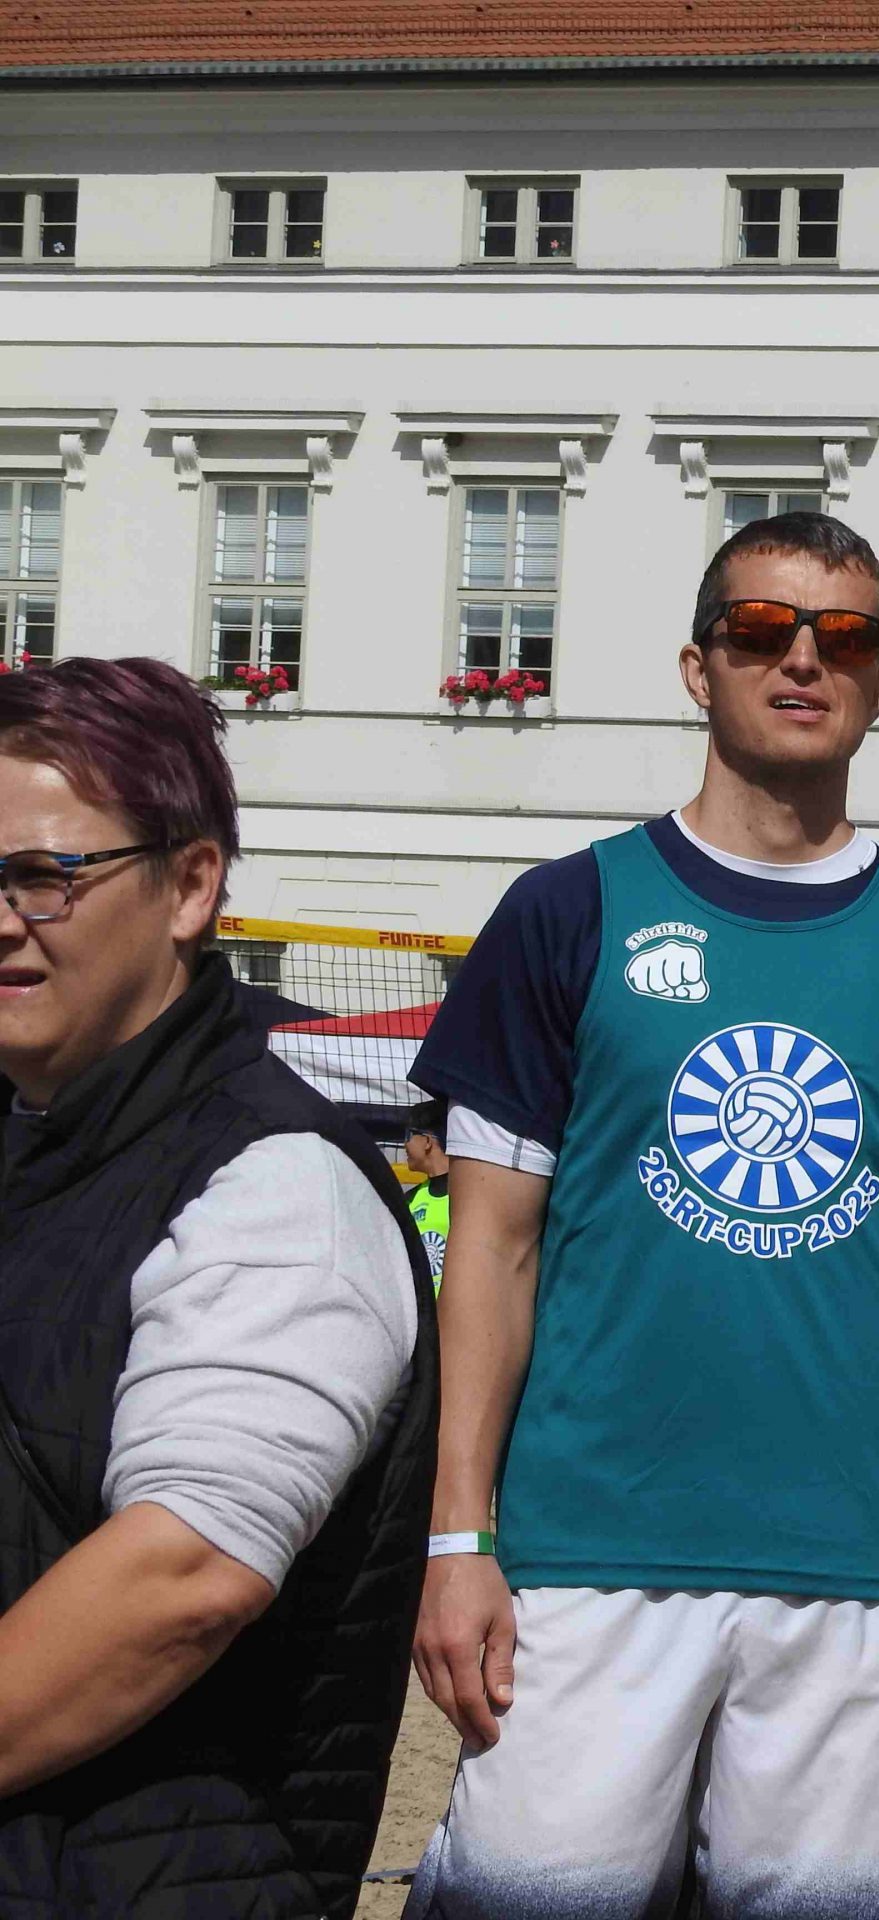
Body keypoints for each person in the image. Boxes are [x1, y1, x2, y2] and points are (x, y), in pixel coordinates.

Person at [403, 512, 879, 1916]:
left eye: (844, 637)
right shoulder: (566, 913)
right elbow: (490, 1251)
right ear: (699, 666)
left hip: (857, 1571)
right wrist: (457, 1542)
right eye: (760, 629)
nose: (802, 658)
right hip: (593, 1556)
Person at [0, 656, 435, 1917]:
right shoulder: (42, 1129)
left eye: (45, 875)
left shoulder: (279, 1185)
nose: (5, 918)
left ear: (191, 886)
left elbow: (183, 1576)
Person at [405, 1094, 452, 1290]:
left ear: (426, 1141)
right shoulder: (410, 1200)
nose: (404, 1144)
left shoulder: (468, 1197)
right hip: (421, 1306)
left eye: (408, 1136)